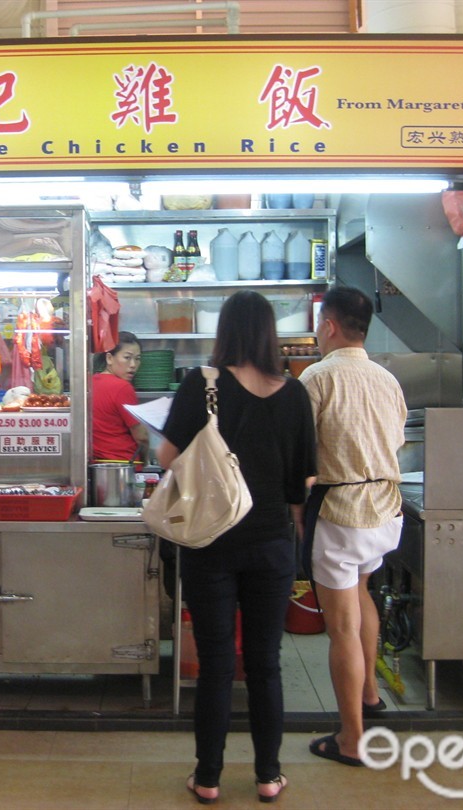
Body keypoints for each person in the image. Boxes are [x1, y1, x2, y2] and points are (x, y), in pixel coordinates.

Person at [156, 291, 316, 804]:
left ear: (224, 331)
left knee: (218, 663)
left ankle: (207, 778)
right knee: (266, 662)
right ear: (271, 332)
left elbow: (167, 455)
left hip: (211, 542)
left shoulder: (202, 384)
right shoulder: (294, 394)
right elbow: (302, 483)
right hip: (272, 543)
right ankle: (268, 776)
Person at [296, 286, 406, 768]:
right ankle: (371, 696)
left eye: (320, 324)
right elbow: (397, 438)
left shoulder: (316, 377)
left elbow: (301, 454)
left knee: (340, 626)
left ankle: (352, 740)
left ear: (330, 325)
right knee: (362, 594)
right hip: (385, 509)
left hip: (339, 511)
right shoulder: (388, 379)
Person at [90, 331, 149, 465]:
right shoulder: (122, 388)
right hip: (124, 464)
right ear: (109, 358)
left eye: (137, 358)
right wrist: (145, 461)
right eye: (127, 357)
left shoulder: (90, 382)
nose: (133, 364)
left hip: (96, 463)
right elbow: (141, 436)